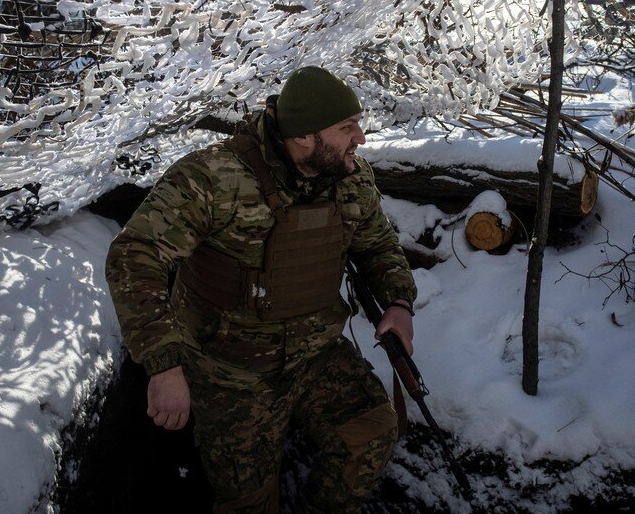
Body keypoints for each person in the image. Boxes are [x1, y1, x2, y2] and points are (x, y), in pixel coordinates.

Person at [105, 66, 417, 513]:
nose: (361, 137)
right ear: (305, 136)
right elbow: (134, 256)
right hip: (230, 372)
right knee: (248, 500)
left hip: (316, 354)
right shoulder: (212, 179)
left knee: (370, 434)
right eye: (347, 127)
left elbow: (378, 245)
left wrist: (399, 301)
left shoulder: (351, 176)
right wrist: (165, 367)